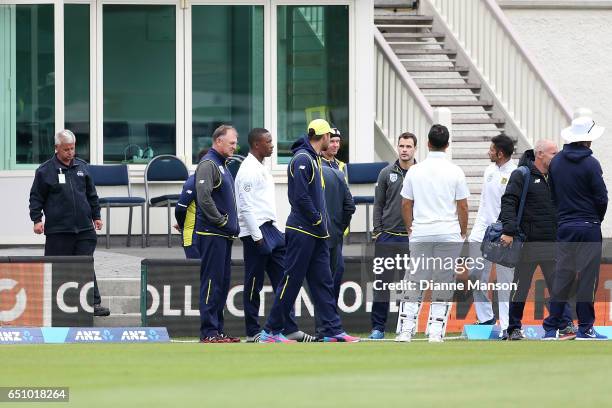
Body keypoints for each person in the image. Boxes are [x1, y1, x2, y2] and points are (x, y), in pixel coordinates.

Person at [260, 119, 359, 343]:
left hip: (316, 233)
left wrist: (320, 225)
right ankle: (270, 331)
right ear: (323, 137)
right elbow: (300, 197)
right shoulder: (303, 159)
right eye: (329, 137)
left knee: (323, 282)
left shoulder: (311, 158)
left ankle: (332, 330)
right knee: (291, 281)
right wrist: (317, 220)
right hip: (303, 231)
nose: (332, 141)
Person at [235, 128, 313, 343]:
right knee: (254, 282)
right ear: (256, 145)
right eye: (268, 141)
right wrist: (256, 236)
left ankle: (288, 328)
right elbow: (245, 206)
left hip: (272, 230)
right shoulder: (248, 170)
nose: (272, 145)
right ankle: (252, 331)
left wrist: (277, 229)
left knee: (284, 281)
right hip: (257, 232)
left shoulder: (261, 168)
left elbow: (264, 203)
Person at [395, 124, 469, 343]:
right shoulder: (455, 171)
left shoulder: (415, 171)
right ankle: (436, 331)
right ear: (447, 145)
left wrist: (411, 228)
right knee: (443, 282)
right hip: (447, 232)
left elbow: (406, 204)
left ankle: (406, 330)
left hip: (422, 233)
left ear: (427, 144)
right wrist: (462, 232)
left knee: (414, 282)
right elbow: (463, 206)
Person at [29, 129, 110, 317]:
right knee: (56, 267)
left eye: (72, 148)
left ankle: (93, 303)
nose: (70, 153)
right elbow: (36, 197)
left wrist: (96, 216)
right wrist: (37, 219)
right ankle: (51, 305)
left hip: (84, 229)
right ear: (57, 148)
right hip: (58, 230)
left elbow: (92, 194)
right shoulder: (44, 171)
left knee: (85, 265)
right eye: (66, 149)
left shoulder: (82, 167)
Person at [499, 140, 573, 341]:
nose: (557, 157)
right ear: (540, 154)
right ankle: (513, 327)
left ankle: (566, 325)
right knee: (520, 287)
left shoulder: (557, 177)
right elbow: (508, 202)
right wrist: (509, 230)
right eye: (553, 153)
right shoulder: (522, 174)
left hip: (552, 242)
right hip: (527, 243)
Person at [542, 117, 608, 340]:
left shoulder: (556, 162)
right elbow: (601, 198)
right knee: (588, 279)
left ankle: (551, 328)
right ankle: (585, 328)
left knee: (563, 277)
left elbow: (553, 195)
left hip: (565, 226)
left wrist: (563, 217)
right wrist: (595, 219)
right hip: (588, 226)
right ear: (587, 140)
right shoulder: (592, 164)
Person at [467, 134, 516, 340]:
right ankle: (486, 317)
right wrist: (476, 230)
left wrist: (510, 231)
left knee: (505, 281)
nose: (488, 152)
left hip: (504, 232)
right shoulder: (489, 170)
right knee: (475, 275)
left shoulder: (515, 173)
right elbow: (485, 203)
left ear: (500, 153)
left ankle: (506, 325)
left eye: (491, 149)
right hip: (482, 230)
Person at [195, 125, 240, 343]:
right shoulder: (209, 164)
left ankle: (218, 331)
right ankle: (209, 332)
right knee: (212, 283)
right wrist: (222, 221)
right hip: (212, 234)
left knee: (221, 284)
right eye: (231, 142)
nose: (235, 146)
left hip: (223, 235)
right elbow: (203, 198)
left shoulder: (222, 165)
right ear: (218, 141)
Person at [369, 132, 417, 340]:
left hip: (411, 239)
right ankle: (378, 328)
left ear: (415, 149)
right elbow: (378, 204)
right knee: (382, 284)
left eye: (408, 146)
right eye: (401, 146)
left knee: (409, 286)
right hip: (387, 237)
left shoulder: (420, 173)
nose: (404, 149)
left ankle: (406, 327)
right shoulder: (386, 173)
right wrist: (378, 231)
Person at [314, 165, 355, 337]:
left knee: (318, 285)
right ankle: (329, 329)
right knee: (329, 285)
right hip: (333, 238)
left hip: (312, 238)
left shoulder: (307, 171)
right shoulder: (337, 174)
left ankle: (324, 330)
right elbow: (350, 207)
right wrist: (337, 230)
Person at [174, 149, 208, 259]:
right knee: (198, 274)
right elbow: (180, 209)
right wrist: (182, 225)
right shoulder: (193, 182)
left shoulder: (215, 180)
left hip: (211, 237)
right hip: (194, 239)